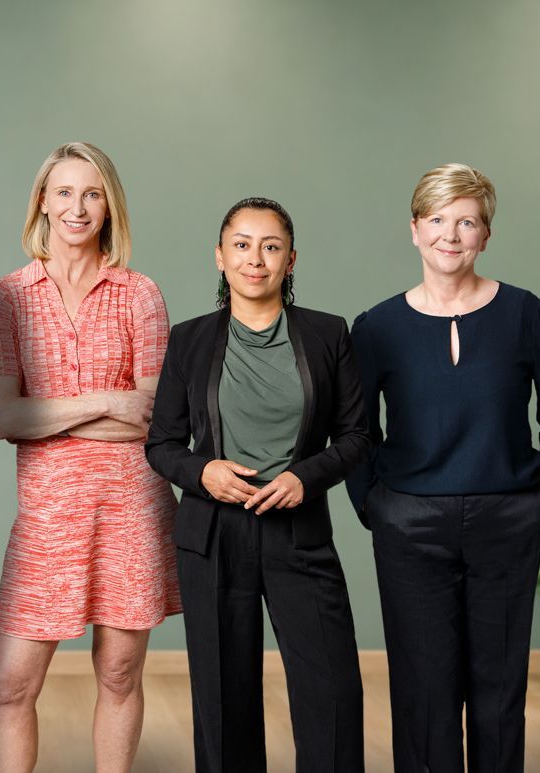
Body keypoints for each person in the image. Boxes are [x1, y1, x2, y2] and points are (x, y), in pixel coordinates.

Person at [347, 163, 540, 773]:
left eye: (467, 222)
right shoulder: (376, 328)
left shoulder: (526, 315)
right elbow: (353, 430)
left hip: (508, 521)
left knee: (500, 692)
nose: (449, 235)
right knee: (422, 692)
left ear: (486, 235)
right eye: (436, 220)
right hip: (410, 524)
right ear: (414, 230)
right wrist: (376, 505)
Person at [145, 197, 370, 772]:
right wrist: (204, 473)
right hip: (213, 536)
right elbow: (162, 445)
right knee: (224, 699)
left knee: (332, 693)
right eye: (242, 246)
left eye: (271, 247)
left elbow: (357, 436)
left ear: (290, 260)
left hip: (300, 532)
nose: (256, 259)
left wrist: (305, 477)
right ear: (220, 257)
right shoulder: (189, 339)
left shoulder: (327, 334)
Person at [0, 141, 177, 773]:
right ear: (43, 200)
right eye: (64, 191)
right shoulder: (7, 297)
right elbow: (3, 418)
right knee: (10, 685)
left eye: (92, 193)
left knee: (120, 674)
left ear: (109, 206)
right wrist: (104, 401)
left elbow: (152, 417)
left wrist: (51, 416)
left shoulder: (140, 294)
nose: (78, 206)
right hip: (47, 516)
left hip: (131, 509)